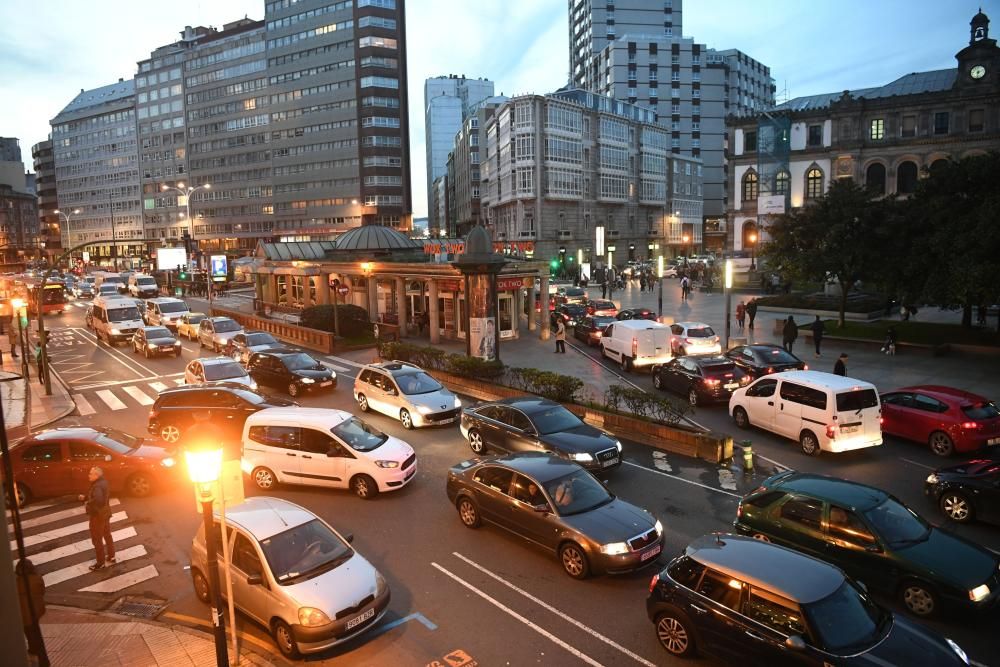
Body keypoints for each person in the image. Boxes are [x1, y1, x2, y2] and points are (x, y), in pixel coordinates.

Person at [79, 467, 115, 570]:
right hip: (105, 513)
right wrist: (86, 497)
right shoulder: (104, 482)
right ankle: (111, 556)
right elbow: (101, 497)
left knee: (97, 539)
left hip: (97, 515)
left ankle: (100, 563)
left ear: (96, 475)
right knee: (107, 534)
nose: (88, 475)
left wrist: (87, 502)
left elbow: (98, 500)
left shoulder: (97, 486)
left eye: (91, 474)